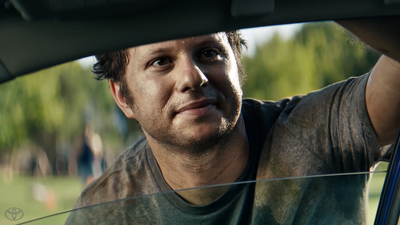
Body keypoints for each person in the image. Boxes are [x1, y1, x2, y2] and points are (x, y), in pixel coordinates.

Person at [66, 18, 400, 224]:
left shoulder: (322, 132)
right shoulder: (103, 212)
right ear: (122, 96)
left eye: (209, 53)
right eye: (161, 62)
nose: (192, 77)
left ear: (237, 67)